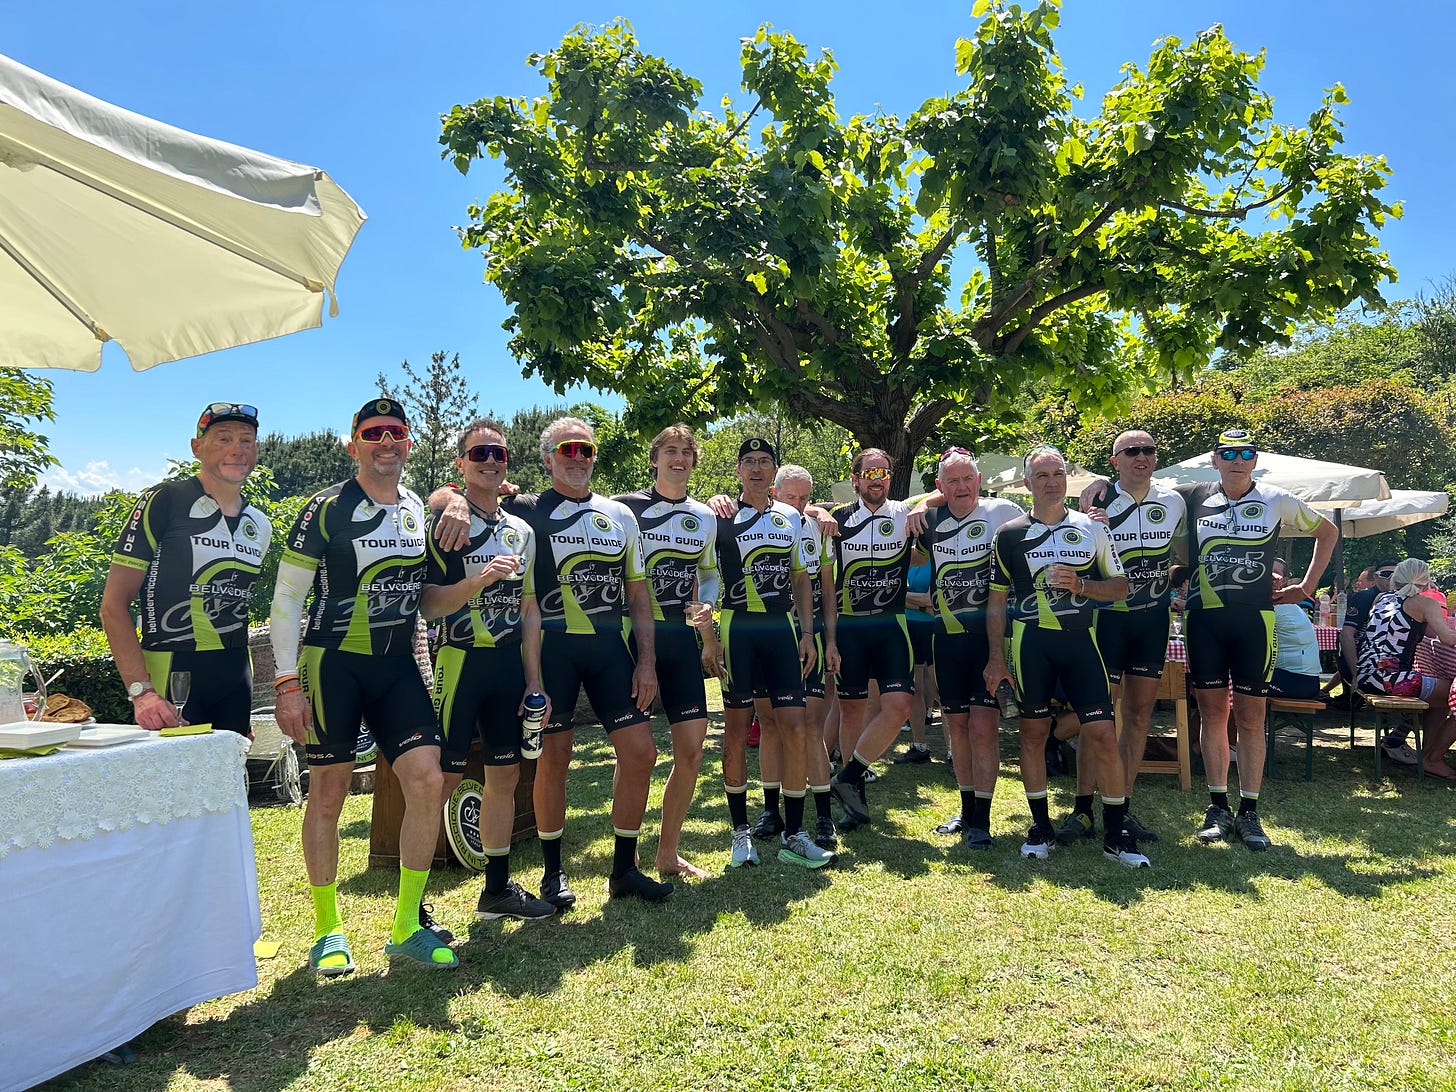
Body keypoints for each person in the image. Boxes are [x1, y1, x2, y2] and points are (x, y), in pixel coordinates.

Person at [436, 416, 670, 906]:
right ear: (547, 459)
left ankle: (624, 869)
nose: (578, 458)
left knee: (641, 752)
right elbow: (460, 496)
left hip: (610, 651)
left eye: (586, 449)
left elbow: (638, 593)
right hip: (550, 654)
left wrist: (646, 661)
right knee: (554, 759)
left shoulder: (620, 514)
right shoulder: (524, 509)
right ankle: (552, 872)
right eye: (567, 449)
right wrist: (453, 497)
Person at [272, 397, 457, 974]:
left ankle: (406, 927)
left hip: (397, 666)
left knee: (427, 780)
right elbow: (287, 597)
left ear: (409, 444)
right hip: (333, 664)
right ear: (354, 445)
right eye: (373, 433)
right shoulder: (326, 507)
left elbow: (423, 596)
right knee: (328, 792)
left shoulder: (415, 508)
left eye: (396, 432)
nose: (386, 442)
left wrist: (475, 580)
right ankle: (328, 930)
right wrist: (286, 681)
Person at [983, 445, 1146, 867]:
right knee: (1033, 735)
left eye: (1058, 473)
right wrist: (996, 658)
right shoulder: (1009, 534)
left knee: (1103, 734)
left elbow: (1121, 587)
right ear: (1027, 484)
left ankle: (1116, 835)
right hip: (1030, 645)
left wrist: (1081, 585)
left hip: (1082, 644)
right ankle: (1041, 828)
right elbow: (996, 601)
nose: (1052, 482)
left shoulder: (1092, 528)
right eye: (1042, 475)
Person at [1175, 428, 1337, 852]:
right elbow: (1142, 496)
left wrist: (1306, 587)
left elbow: (1328, 533)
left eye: (1246, 453)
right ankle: (1217, 807)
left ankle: (1249, 810)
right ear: (1215, 459)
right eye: (1229, 453)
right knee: (1212, 714)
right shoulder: (1192, 496)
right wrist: (1099, 489)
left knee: (1250, 717)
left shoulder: (1276, 499)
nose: (1238, 460)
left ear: (1255, 460)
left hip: (1255, 622)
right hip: (1204, 619)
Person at [421, 418, 556, 923]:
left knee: (506, 775)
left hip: (507, 668)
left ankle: (496, 891)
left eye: (498, 453)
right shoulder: (446, 521)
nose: (491, 461)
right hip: (459, 662)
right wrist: (475, 582)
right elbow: (429, 605)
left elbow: (529, 608)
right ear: (461, 463)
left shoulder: (521, 531)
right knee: (440, 781)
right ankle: (414, 904)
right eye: (479, 454)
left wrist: (534, 681)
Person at [706, 438, 837, 869]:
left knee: (796, 727)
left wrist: (807, 633)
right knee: (736, 731)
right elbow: (702, 575)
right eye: (749, 462)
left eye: (765, 461)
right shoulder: (719, 515)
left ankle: (794, 834)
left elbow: (801, 578)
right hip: (738, 629)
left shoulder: (791, 517)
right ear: (739, 470)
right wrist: (708, 636)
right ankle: (740, 833)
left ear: (774, 471)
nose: (757, 468)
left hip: (782, 630)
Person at [102, 402, 271, 734]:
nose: (237, 449)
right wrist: (141, 692)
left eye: (246, 440)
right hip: (172, 672)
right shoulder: (165, 500)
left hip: (237, 674)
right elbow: (113, 605)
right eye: (223, 438)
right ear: (197, 448)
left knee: (233, 769)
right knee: (175, 769)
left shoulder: (259, 523)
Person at [612, 425, 721, 879]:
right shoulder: (624, 508)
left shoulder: (706, 516)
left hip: (680, 640)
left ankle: (668, 852)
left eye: (686, 452)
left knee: (692, 751)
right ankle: (627, 854)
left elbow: (709, 575)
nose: (679, 458)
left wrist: (708, 607)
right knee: (634, 754)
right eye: (670, 451)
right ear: (654, 458)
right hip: (632, 639)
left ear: (694, 462)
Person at [1068, 429, 1186, 845]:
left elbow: (1184, 553)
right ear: (1114, 461)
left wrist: (1178, 585)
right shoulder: (1096, 500)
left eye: (1148, 450)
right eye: (1131, 451)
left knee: (1137, 716)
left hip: (1152, 621)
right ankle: (1083, 809)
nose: (1141, 457)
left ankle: (1122, 807)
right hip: (1108, 620)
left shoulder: (1174, 501)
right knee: (1097, 717)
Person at [916, 448, 1023, 849]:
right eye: (952, 481)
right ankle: (965, 808)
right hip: (945, 639)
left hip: (990, 639)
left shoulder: (1003, 511)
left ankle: (982, 817)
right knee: (956, 726)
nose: (961, 487)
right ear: (940, 486)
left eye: (968, 479)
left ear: (979, 481)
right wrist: (921, 505)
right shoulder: (929, 519)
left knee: (983, 727)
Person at [742, 463, 840, 850]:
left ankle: (824, 815)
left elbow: (828, 593)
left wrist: (830, 642)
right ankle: (771, 811)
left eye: (805, 498)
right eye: (790, 497)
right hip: (768, 638)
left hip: (808, 640)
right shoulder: (752, 522)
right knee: (768, 724)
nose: (798, 505)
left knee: (810, 727)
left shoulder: (818, 528)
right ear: (775, 493)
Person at [825, 449, 920, 831]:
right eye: (869, 473)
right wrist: (815, 510)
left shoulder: (904, 513)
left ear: (890, 478)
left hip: (891, 625)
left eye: (883, 472)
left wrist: (923, 503)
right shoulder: (838, 518)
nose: (876, 479)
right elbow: (799, 509)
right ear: (855, 479)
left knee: (900, 706)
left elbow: (940, 494)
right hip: (849, 626)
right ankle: (855, 801)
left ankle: (847, 776)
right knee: (851, 711)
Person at [1356, 557, 1456, 779]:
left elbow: (1426, 632)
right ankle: (1432, 758)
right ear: (1426, 580)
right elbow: (1448, 638)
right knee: (1452, 692)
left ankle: (1427, 755)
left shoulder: (1382, 598)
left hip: (1365, 676)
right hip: (1392, 681)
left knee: (1441, 696)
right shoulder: (1424, 603)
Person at [896, 558, 938, 764]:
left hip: (933, 628)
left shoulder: (936, 558)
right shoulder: (909, 559)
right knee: (915, 689)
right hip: (909, 627)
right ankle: (920, 746)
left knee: (941, 690)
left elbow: (932, 600)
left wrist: (902, 596)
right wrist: (919, 603)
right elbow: (894, 595)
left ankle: (953, 753)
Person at [1268, 558, 1322, 700]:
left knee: (1240, 681)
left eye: (1275, 572)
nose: (1270, 575)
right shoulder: (1285, 602)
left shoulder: (1277, 606)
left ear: (1284, 580)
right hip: (1304, 681)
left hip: (1297, 682)